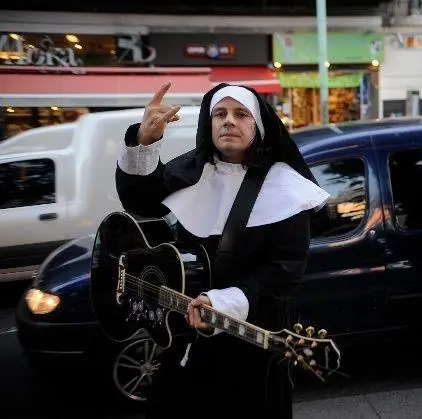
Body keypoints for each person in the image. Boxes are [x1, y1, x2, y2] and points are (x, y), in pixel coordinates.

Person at [115, 81, 330, 418]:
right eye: (220, 114)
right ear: (209, 123)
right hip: (185, 332)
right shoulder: (193, 171)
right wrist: (144, 141)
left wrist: (225, 302)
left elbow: (285, 270)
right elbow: (140, 201)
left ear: (257, 126)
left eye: (241, 114)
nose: (229, 121)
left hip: (252, 338)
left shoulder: (287, 188)